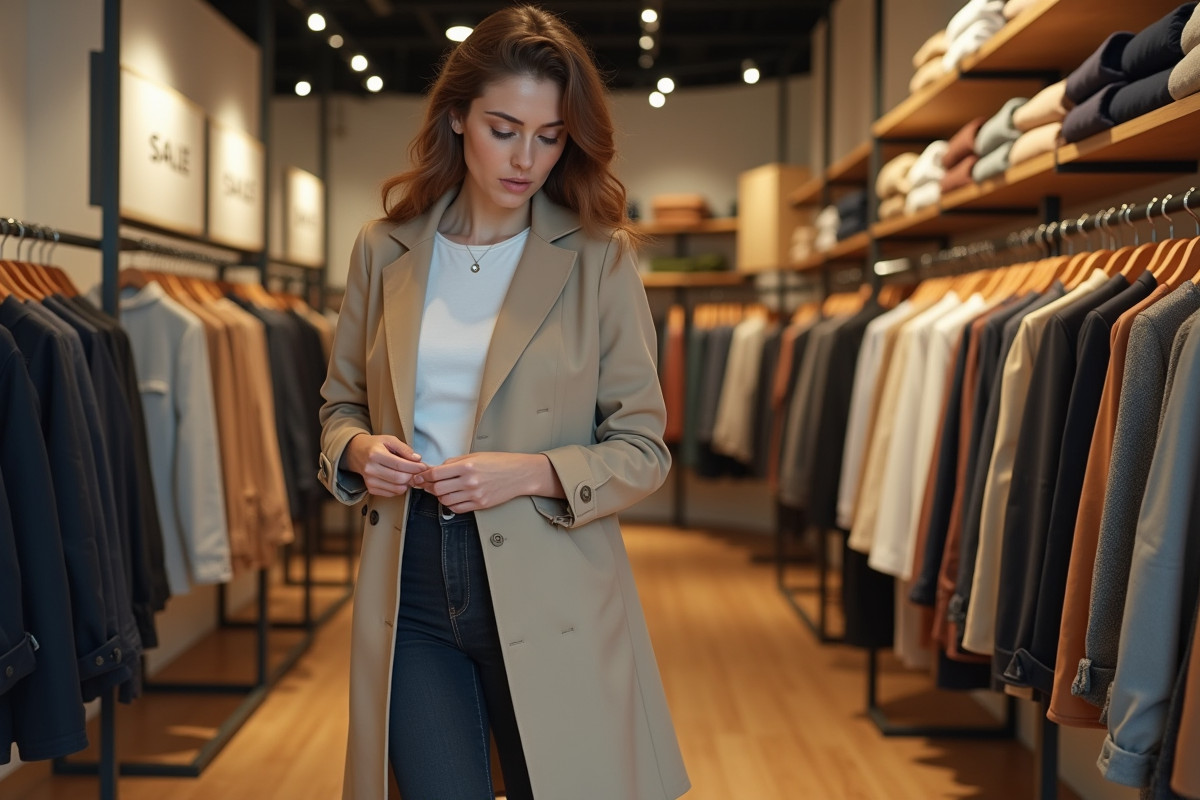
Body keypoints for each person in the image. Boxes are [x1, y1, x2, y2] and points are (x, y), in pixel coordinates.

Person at [317, 6, 690, 799]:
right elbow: (338, 407)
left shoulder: (600, 258)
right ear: (457, 117)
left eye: (550, 135)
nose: (527, 157)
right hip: (410, 580)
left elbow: (643, 449)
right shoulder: (384, 249)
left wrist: (528, 473)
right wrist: (357, 451)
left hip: (553, 577)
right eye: (503, 128)